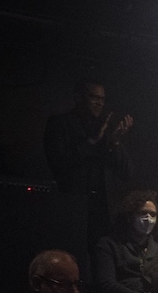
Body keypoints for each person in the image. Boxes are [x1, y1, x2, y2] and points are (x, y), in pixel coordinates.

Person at [43, 79, 132, 241]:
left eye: (102, 99)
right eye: (94, 98)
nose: (99, 103)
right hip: (72, 208)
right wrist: (92, 141)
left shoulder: (108, 128)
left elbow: (126, 173)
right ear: (78, 98)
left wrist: (115, 143)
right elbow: (58, 163)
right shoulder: (60, 123)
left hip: (105, 212)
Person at [90, 190, 158, 293]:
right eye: (143, 213)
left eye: (152, 214)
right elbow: (106, 284)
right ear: (130, 216)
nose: (148, 218)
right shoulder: (109, 244)